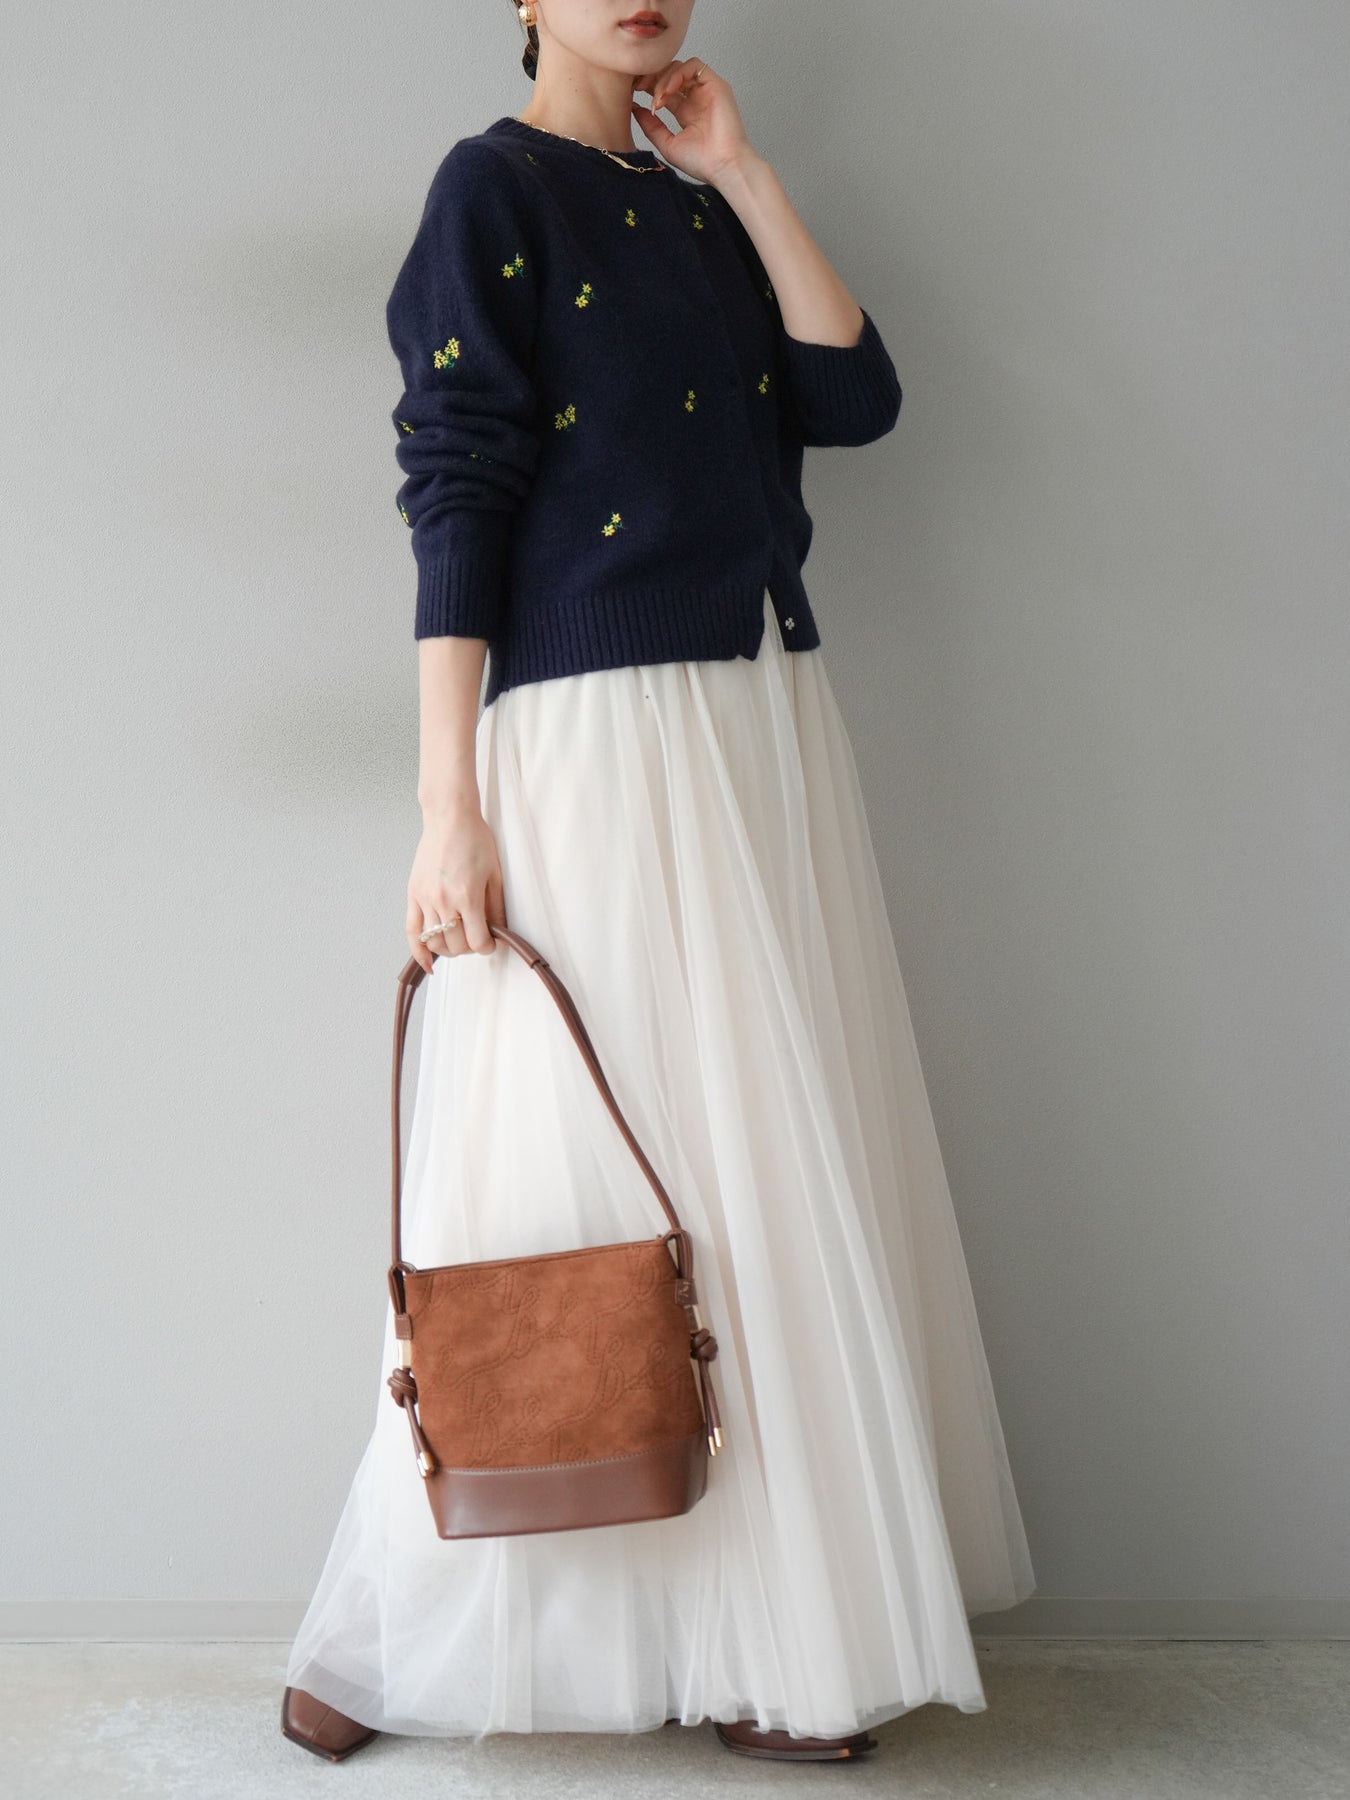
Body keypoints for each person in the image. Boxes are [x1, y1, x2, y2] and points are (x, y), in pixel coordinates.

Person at [281, 0, 1036, 1767]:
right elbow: (457, 483)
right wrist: (447, 804)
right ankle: (414, 1621)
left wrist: (745, 174)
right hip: (598, 729)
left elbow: (854, 398)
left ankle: (767, 1640)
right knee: (562, 1162)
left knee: (754, 1165)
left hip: (759, 721)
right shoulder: (490, 193)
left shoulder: (696, 210)